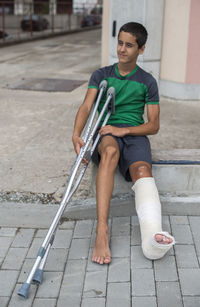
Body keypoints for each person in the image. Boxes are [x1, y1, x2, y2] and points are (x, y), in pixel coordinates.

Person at [72, 22, 175, 265]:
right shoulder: (102, 75)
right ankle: (102, 231)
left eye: (129, 45)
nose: (122, 49)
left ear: (141, 49)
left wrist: (125, 129)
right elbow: (87, 106)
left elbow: (154, 125)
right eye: (120, 43)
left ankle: (152, 236)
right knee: (108, 152)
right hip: (107, 130)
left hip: (134, 133)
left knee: (142, 170)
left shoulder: (147, 81)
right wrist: (76, 134)